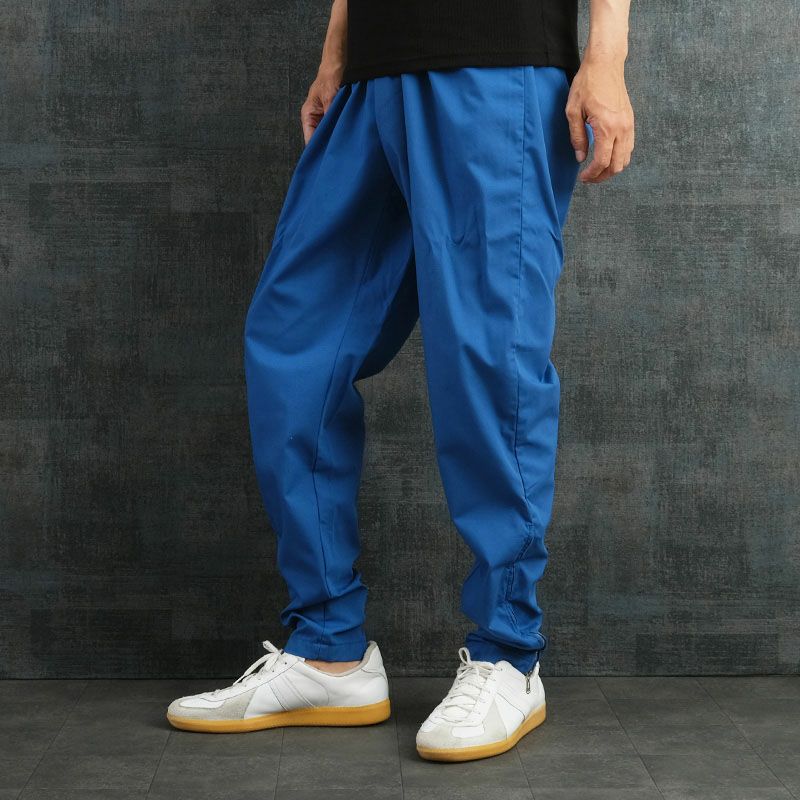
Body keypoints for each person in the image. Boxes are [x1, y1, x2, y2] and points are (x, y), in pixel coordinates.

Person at [167, 0, 634, 762]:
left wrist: (606, 54)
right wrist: (338, 48)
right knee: (295, 342)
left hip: (496, 59)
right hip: (375, 69)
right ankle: (329, 652)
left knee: (488, 358)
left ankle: (509, 654)